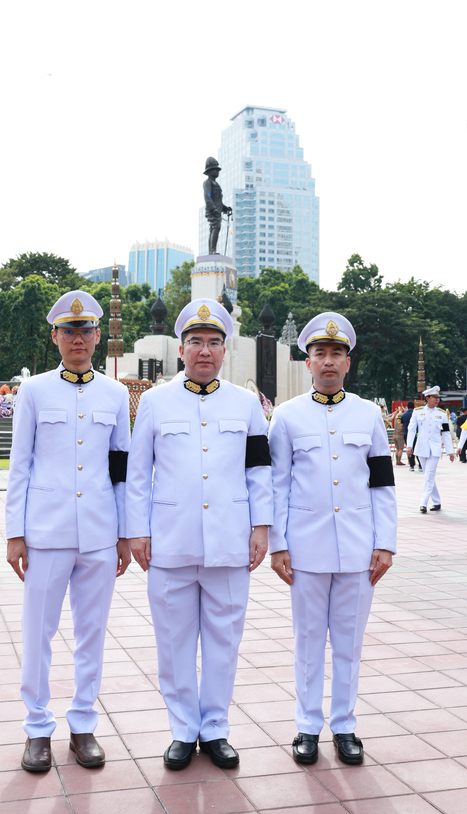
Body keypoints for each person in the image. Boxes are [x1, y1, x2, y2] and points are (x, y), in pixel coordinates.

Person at [127, 298, 273, 771]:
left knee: (223, 640)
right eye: (196, 342)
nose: (204, 351)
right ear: (182, 349)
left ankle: (215, 729)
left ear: (225, 350)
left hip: (230, 539)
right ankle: (182, 730)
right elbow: (136, 474)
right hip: (169, 539)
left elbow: (259, 472)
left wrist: (261, 527)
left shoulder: (246, 404)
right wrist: (137, 532)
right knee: (173, 641)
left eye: (213, 342)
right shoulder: (154, 401)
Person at [6, 291, 131, 773]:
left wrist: (124, 533)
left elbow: (120, 468)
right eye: (68, 331)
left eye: (86, 331)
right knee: (38, 631)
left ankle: (83, 724)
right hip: (46, 531)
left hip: (99, 532)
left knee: (91, 633)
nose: (77, 339)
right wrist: (15, 533)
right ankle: (37, 727)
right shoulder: (34, 391)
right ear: (55, 336)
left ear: (97, 337)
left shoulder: (116, 394)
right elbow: (20, 465)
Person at [268, 312, 397, 767]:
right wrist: (277, 545)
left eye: (336, 354)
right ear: (307, 362)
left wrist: (386, 543)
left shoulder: (369, 414)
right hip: (305, 548)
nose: (328, 361)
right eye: (319, 353)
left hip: (360, 549)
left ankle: (344, 726)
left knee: (349, 642)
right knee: (307, 640)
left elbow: (382, 483)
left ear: (348, 362)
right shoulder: (285, 417)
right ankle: (307, 725)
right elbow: (277, 486)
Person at [407, 385, 454, 513]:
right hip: (421, 447)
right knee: (428, 476)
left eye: (438, 398)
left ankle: (423, 502)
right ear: (427, 398)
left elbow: (446, 433)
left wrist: (450, 451)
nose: (437, 400)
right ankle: (437, 501)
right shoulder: (418, 412)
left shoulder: (442, 414)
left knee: (429, 475)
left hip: (435, 448)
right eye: (434, 397)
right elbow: (411, 429)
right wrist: (409, 445)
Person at [203, 157, 232, 255]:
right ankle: (212, 250)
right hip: (212, 211)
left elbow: (218, 201)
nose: (217, 171)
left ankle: (212, 250)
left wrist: (225, 208)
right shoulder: (207, 183)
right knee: (215, 228)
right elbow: (208, 198)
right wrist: (214, 209)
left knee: (215, 228)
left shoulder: (217, 185)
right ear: (209, 171)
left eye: (217, 170)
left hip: (217, 210)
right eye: (215, 170)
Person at [400, 401, 416, 470]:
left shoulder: (403, 415)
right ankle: (420, 465)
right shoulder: (415, 414)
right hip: (416, 433)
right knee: (417, 448)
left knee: (409, 449)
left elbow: (401, 425)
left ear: (407, 406)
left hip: (406, 433)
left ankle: (411, 465)